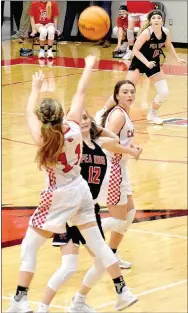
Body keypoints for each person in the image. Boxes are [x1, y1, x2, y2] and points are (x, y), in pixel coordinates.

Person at [7, 56, 137, 313]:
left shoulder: (42, 139)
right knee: (98, 244)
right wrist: (89, 65)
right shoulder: (75, 128)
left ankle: (21, 299)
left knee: (29, 245)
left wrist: (34, 89)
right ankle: (122, 290)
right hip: (81, 190)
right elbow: (80, 91)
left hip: (57, 195)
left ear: (43, 121)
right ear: (61, 114)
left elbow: (27, 113)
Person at [68, 79, 142, 313]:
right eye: (125, 92)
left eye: (132, 91)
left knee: (130, 212)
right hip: (113, 169)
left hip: (122, 168)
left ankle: (110, 253)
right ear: (117, 95)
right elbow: (109, 144)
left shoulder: (122, 112)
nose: (130, 95)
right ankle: (93, 237)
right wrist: (130, 150)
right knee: (121, 217)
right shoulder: (118, 115)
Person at [96, 10, 186, 125]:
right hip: (139, 62)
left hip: (153, 63)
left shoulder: (166, 32)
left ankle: (152, 114)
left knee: (164, 92)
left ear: (162, 20)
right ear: (150, 21)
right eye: (154, 18)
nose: (156, 20)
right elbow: (135, 50)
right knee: (125, 90)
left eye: (159, 18)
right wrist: (146, 62)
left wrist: (177, 58)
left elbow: (168, 45)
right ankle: (103, 112)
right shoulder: (146, 33)